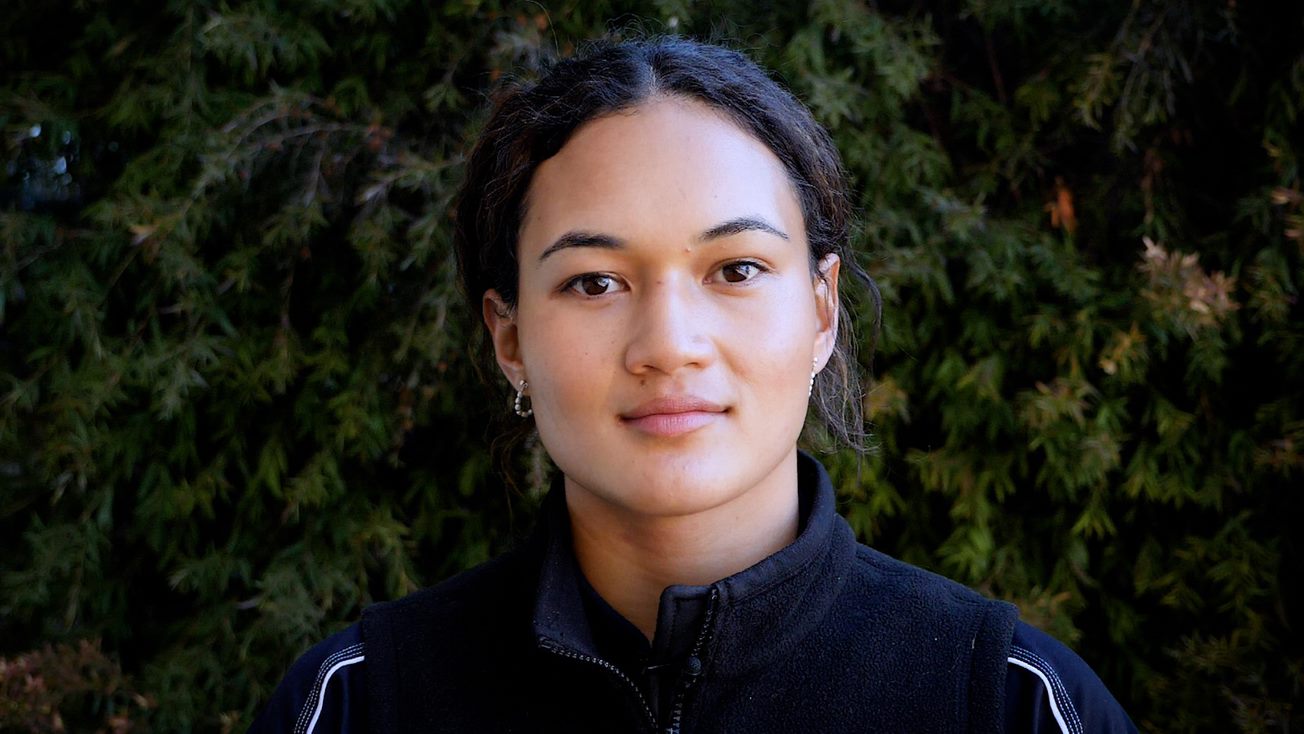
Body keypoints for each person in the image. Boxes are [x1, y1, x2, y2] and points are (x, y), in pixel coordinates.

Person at [249, 37, 1137, 733]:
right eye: (594, 282)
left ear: (821, 312)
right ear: (510, 338)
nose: (669, 346)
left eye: (737, 269)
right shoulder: (359, 706)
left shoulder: (1007, 702)